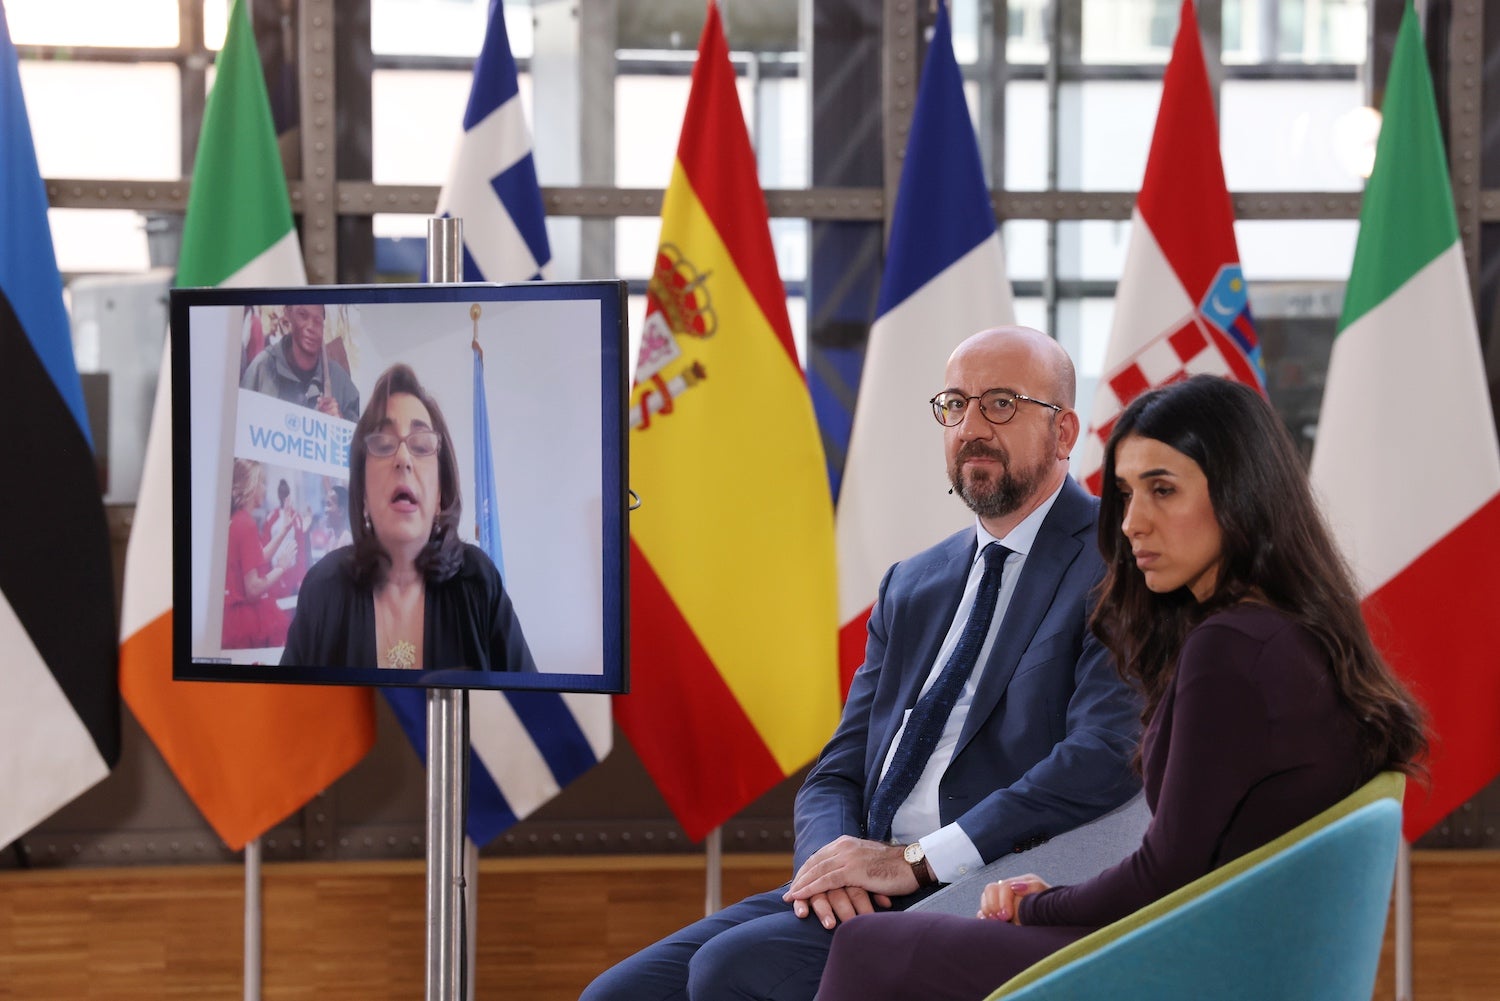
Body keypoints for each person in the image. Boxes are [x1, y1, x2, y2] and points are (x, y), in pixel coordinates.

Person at [813, 375, 1428, 1001]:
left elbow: (1167, 869)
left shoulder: (1229, 648)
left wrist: (1041, 903)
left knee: (871, 946)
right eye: (1126, 494)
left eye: (1163, 491)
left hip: (1191, 964)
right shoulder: (1295, 632)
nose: (1132, 524)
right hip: (1237, 950)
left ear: (1245, 494)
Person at [581, 327, 1141, 1001]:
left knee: (731, 971)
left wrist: (915, 861)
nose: (970, 426)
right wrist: (836, 869)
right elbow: (838, 771)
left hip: (986, 886)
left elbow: (1103, 755)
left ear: (1064, 430)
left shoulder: (1119, 564)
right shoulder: (915, 582)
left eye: (999, 403)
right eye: (955, 404)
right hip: (870, 879)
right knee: (617, 995)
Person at [280, 363, 536, 674]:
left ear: (440, 491)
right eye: (384, 445)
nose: (402, 459)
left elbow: (532, 715)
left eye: (421, 446)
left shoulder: (479, 582)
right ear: (362, 492)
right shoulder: (323, 589)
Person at [221, 459, 296, 649]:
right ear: (251, 486)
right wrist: (281, 568)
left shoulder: (236, 520)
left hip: (233, 618)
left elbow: (256, 558)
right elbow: (253, 588)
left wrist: (283, 531)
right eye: (262, 482)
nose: (265, 488)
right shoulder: (246, 524)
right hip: (246, 620)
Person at [240, 302, 360, 420]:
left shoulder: (338, 380)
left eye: (317, 321)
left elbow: (361, 433)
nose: (311, 327)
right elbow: (239, 424)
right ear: (288, 314)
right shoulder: (262, 368)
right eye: (303, 315)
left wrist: (340, 425)